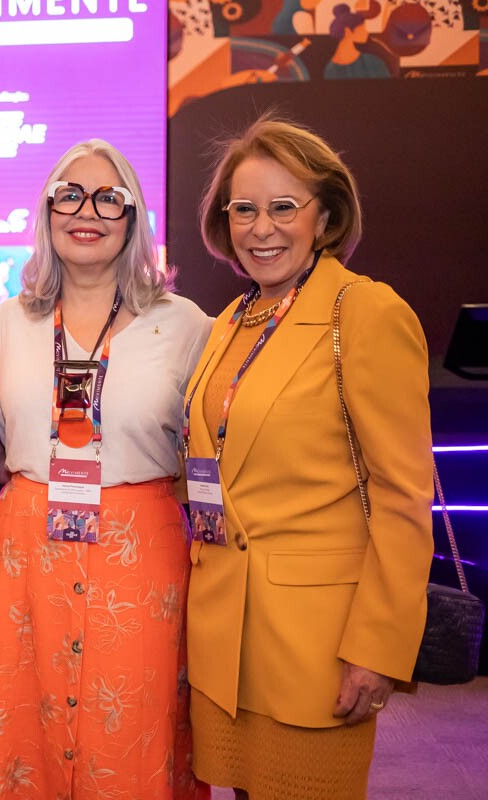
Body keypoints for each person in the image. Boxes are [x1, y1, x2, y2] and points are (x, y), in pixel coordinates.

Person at [185, 116, 433, 799]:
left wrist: (377, 648)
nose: (261, 228)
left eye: (283, 207)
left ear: (324, 216)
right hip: (223, 640)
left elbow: (404, 494)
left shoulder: (365, 312)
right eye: (244, 209)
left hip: (316, 647)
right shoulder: (231, 321)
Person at [0, 140, 212, 799]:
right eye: (69, 195)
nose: (88, 211)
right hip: (26, 549)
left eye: (110, 197)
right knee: (27, 720)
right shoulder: (4, 323)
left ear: (134, 218)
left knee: (133, 724)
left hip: (143, 555)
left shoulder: (185, 324)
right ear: (48, 213)